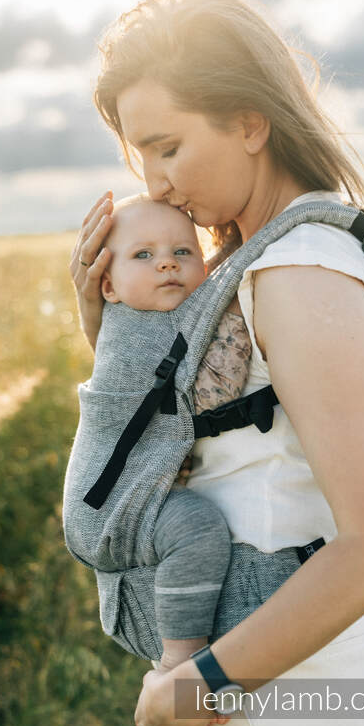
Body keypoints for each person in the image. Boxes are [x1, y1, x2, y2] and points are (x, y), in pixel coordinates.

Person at [69, 0, 364, 726]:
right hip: (252, 669)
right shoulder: (260, 258)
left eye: (168, 147)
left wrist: (192, 691)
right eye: (140, 156)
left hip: (267, 683)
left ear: (250, 123)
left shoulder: (299, 268)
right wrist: (113, 334)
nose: (155, 184)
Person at [73, 191, 252, 684]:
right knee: (197, 529)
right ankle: (180, 662)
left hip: (104, 499)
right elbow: (213, 394)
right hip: (112, 504)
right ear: (108, 286)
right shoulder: (147, 326)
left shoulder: (130, 313)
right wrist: (240, 302)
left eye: (183, 252)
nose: (167, 265)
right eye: (143, 254)